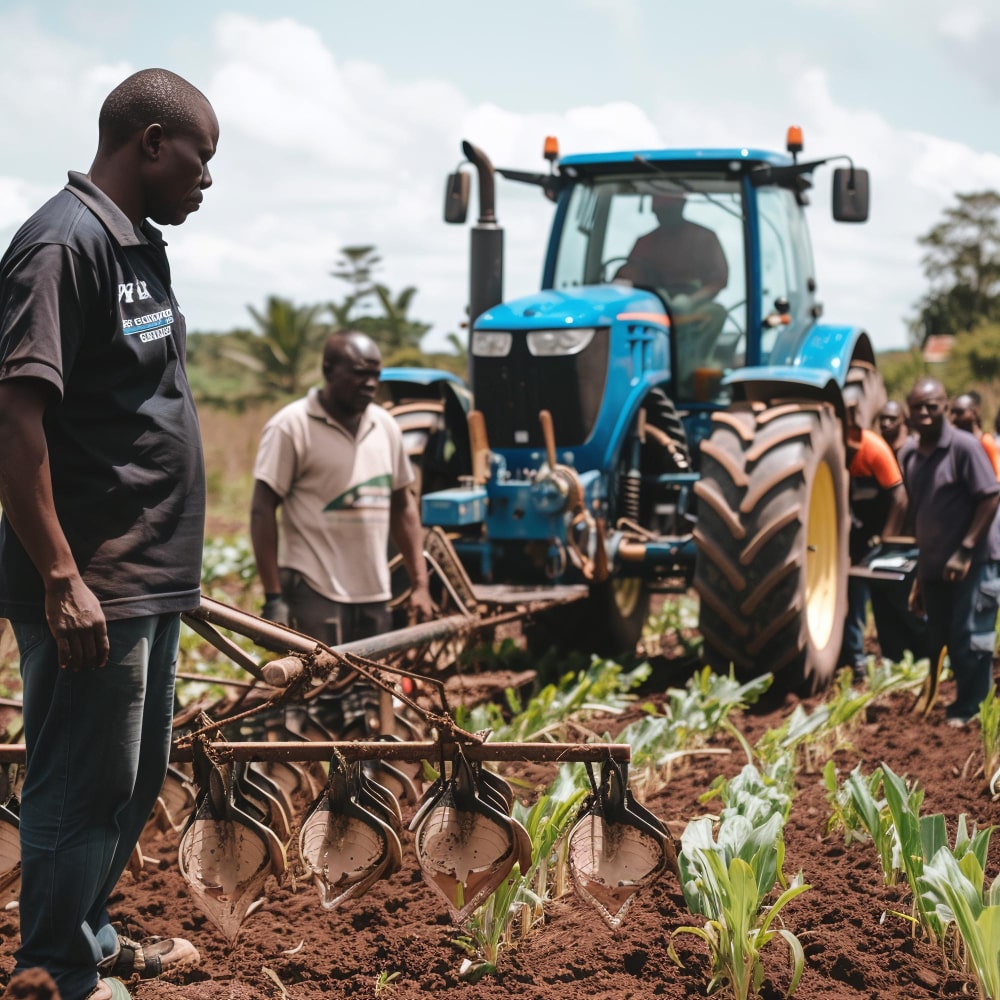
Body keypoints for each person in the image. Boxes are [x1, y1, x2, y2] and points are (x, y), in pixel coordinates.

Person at [0, 69, 217, 1000]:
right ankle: (48, 968)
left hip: (145, 571)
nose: (208, 181)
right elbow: (14, 417)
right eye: (203, 160)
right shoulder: (62, 243)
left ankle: (83, 937)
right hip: (91, 577)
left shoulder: (135, 248)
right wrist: (58, 573)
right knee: (83, 778)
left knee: (134, 775)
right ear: (153, 142)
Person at [250, 330, 434, 649]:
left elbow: (403, 506)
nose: (371, 384)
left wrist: (420, 584)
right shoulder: (291, 426)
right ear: (328, 370)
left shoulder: (386, 426)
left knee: (367, 693)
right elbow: (262, 509)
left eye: (376, 375)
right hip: (314, 589)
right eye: (360, 374)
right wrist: (273, 597)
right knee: (320, 692)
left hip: (374, 589)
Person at [901, 377, 1000, 727]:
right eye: (918, 407)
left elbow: (990, 497)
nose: (926, 413)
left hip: (972, 561)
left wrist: (966, 549)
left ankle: (974, 710)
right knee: (939, 636)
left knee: (970, 637)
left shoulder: (964, 447)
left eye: (933, 405)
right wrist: (920, 575)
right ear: (908, 412)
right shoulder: (909, 454)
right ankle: (959, 703)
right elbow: (920, 512)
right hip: (934, 566)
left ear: (945, 406)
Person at [614, 191, 729, 394]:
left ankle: (689, 376)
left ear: (681, 207)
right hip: (654, 302)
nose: (663, 216)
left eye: (668, 210)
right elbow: (630, 273)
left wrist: (691, 301)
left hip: (694, 302)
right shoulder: (645, 243)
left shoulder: (703, 237)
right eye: (660, 212)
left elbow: (719, 280)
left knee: (716, 313)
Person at [838, 404, 907, 679]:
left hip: (881, 532)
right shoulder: (836, 454)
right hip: (854, 531)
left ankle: (903, 656)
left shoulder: (874, 449)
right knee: (853, 595)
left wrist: (886, 539)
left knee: (887, 595)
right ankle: (854, 660)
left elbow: (900, 498)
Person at [949, 392, 1000, 479]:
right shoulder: (956, 443)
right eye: (952, 412)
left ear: (974, 413)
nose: (953, 418)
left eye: (959, 412)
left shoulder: (986, 441)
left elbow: (997, 475)